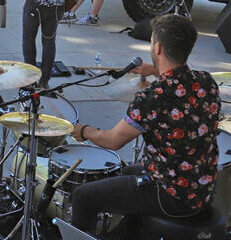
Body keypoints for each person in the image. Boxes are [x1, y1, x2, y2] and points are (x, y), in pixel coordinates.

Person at [69, 15, 220, 235]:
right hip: (202, 187)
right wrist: (156, 70)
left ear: (157, 48)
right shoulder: (206, 81)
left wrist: (84, 131)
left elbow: (112, 141)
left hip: (171, 194)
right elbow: (178, 83)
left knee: (83, 196)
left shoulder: (152, 97)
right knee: (128, 171)